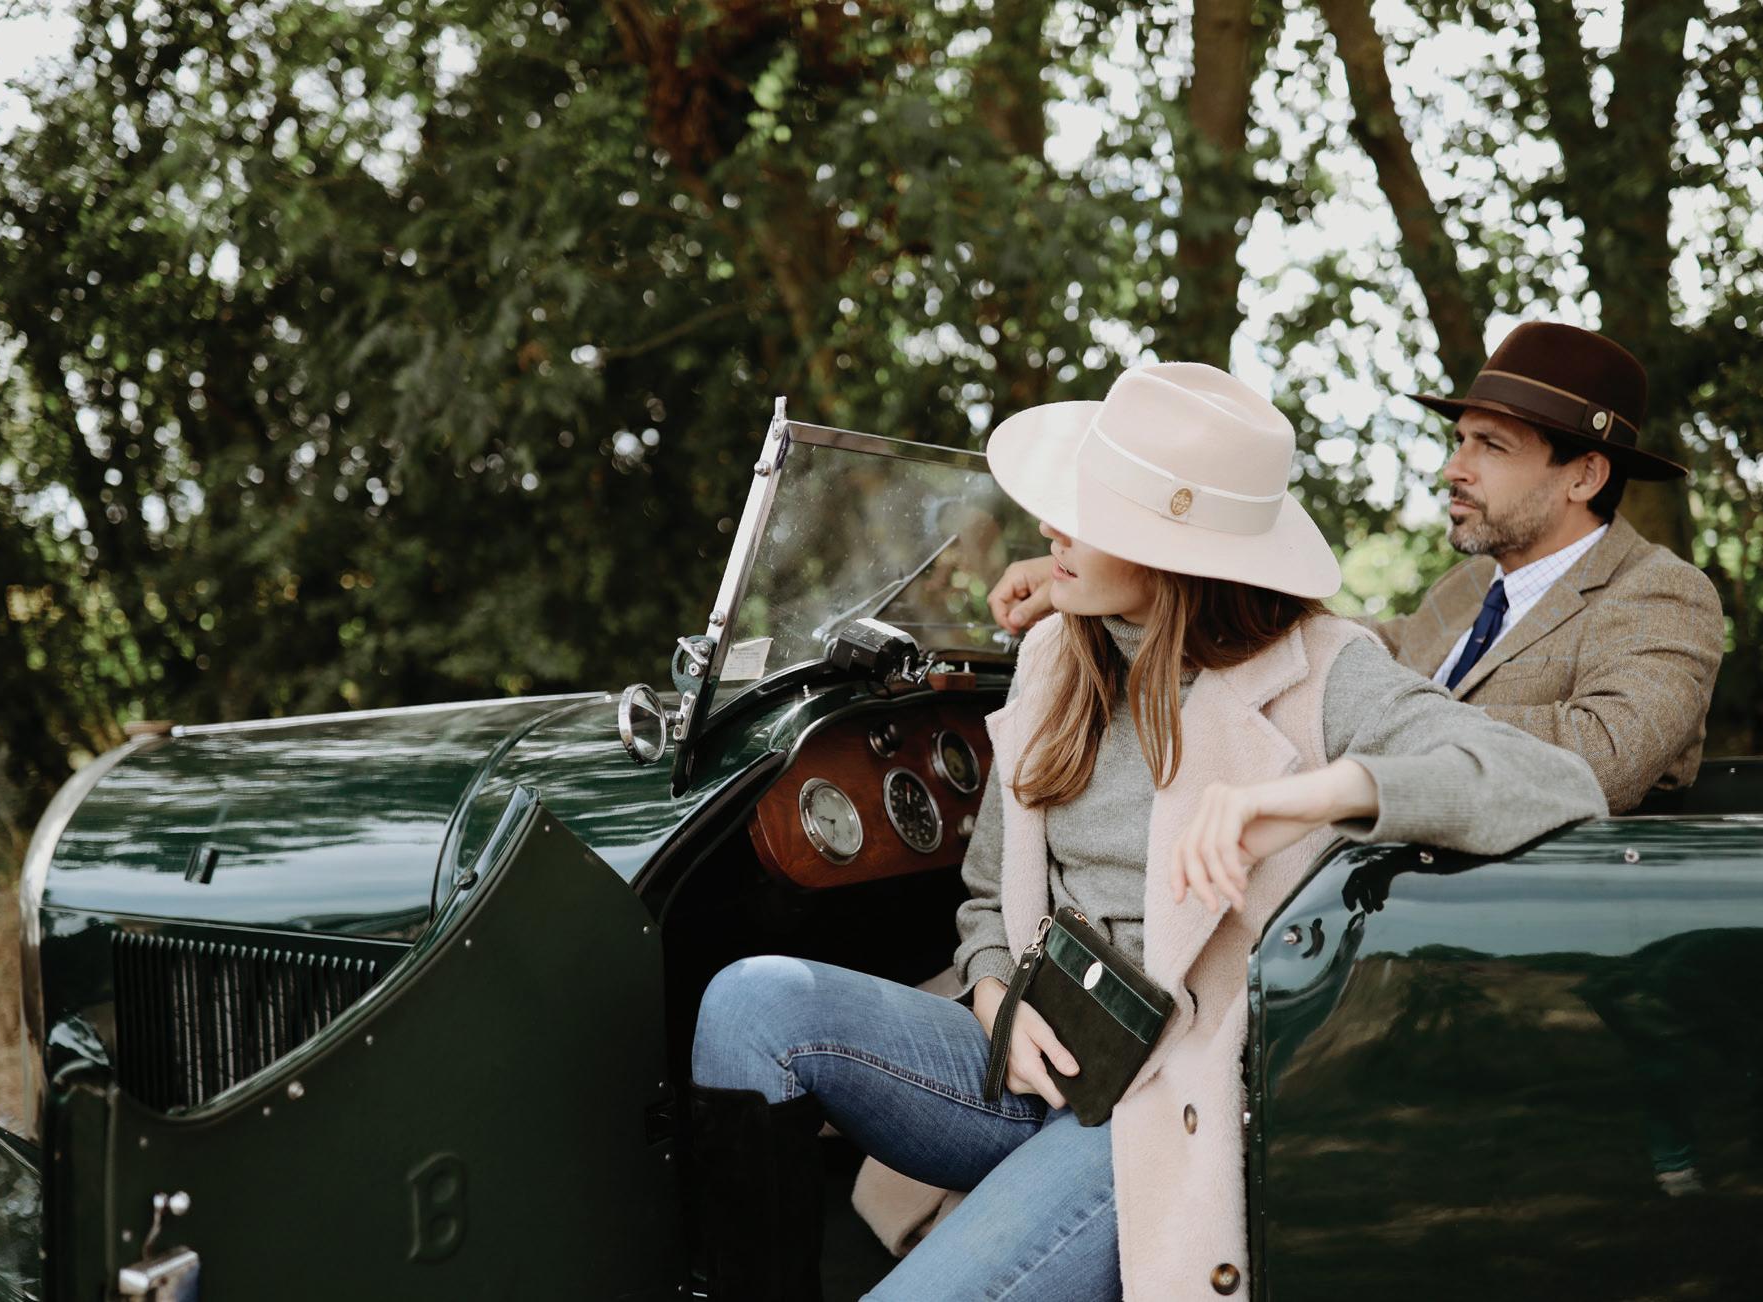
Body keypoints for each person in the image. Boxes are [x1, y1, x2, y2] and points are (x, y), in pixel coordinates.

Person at [687, 362, 1605, 1301]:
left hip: (1166, 1101)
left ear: (1175, 551)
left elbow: (1551, 781)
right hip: (1029, 1055)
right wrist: (994, 993)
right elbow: (986, 896)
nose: (1051, 528)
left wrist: (1308, 797)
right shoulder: (1055, 653)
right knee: (752, 1003)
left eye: (1090, 513)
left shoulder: (1327, 672)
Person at [988, 324, 1724, 813]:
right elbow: (1341, 645)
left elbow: (1603, 757)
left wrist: (1379, 726)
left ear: (1584, 476)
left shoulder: (1660, 593)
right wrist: (1102, 570)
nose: (1454, 468)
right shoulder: (1472, 587)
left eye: (1491, 447)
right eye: (1460, 440)